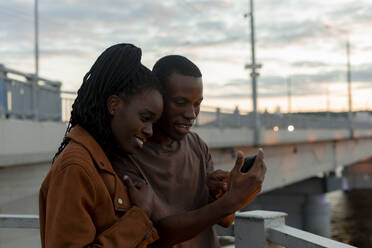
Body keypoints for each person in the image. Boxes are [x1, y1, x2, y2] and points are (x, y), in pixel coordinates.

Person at [110, 55, 266, 247]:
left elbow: (225, 221)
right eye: (180, 102)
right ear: (157, 98)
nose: (191, 114)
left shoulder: (197, 145)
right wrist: (231, 202)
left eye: (197, 104)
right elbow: (159, 233)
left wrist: (224, 192)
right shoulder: (128, 152)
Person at [39, 43, 165, 247]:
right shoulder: (76, 168)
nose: (150, 130)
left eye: (154, 122)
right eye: (145, 118)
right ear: (114, 105)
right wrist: (139, 216)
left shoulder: (105, 159)